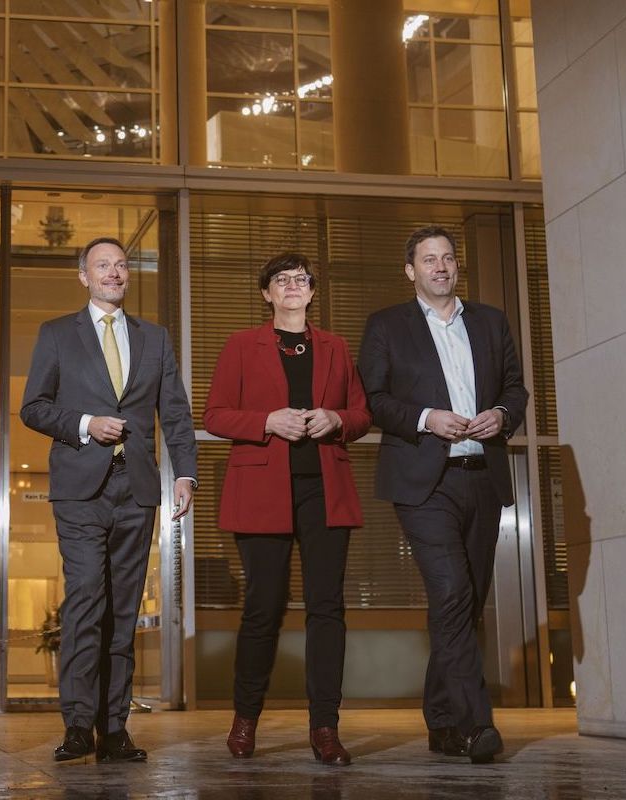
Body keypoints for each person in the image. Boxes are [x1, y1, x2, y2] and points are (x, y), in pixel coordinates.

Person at [20, 236, 198, 763]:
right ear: (84, 276)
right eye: (103, 266)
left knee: (123, 611)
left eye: (121, 266)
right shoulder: (56, 334)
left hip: (137, 489)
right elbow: (33, 406)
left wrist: (184, 474)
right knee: (84, 604)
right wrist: (83, 424)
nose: (114, 274)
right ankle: (78, 724)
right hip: (80, 491)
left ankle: (114, 727)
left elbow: (176, 413)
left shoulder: (155, 338)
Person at [358, 226, 528, 765]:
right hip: (423, 482)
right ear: (410, 271)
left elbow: (516, 389)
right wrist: (428, 418)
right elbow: (373, 400)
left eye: (448, 258)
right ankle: (478, 725)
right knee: (453, 591)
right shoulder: (387, 326)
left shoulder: (491, 321)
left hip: (482, 475)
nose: (440, 267)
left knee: (465, 602)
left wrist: (500, 416)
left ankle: (441, 721)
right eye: (428, 260)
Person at [203, 253, 371, 766]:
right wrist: (267, 422)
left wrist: (335, 418)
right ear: (266, 294)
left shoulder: (336, 347)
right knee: (263, 608)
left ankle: (325, 727)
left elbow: (363, 414)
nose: (292, 286)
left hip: (325, 488)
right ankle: (245, 719)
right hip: (261, 491)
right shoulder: (240, 345)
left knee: (327, 610)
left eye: (301, 279)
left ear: (312, 291)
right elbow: (214, 415)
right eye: (282, 280)